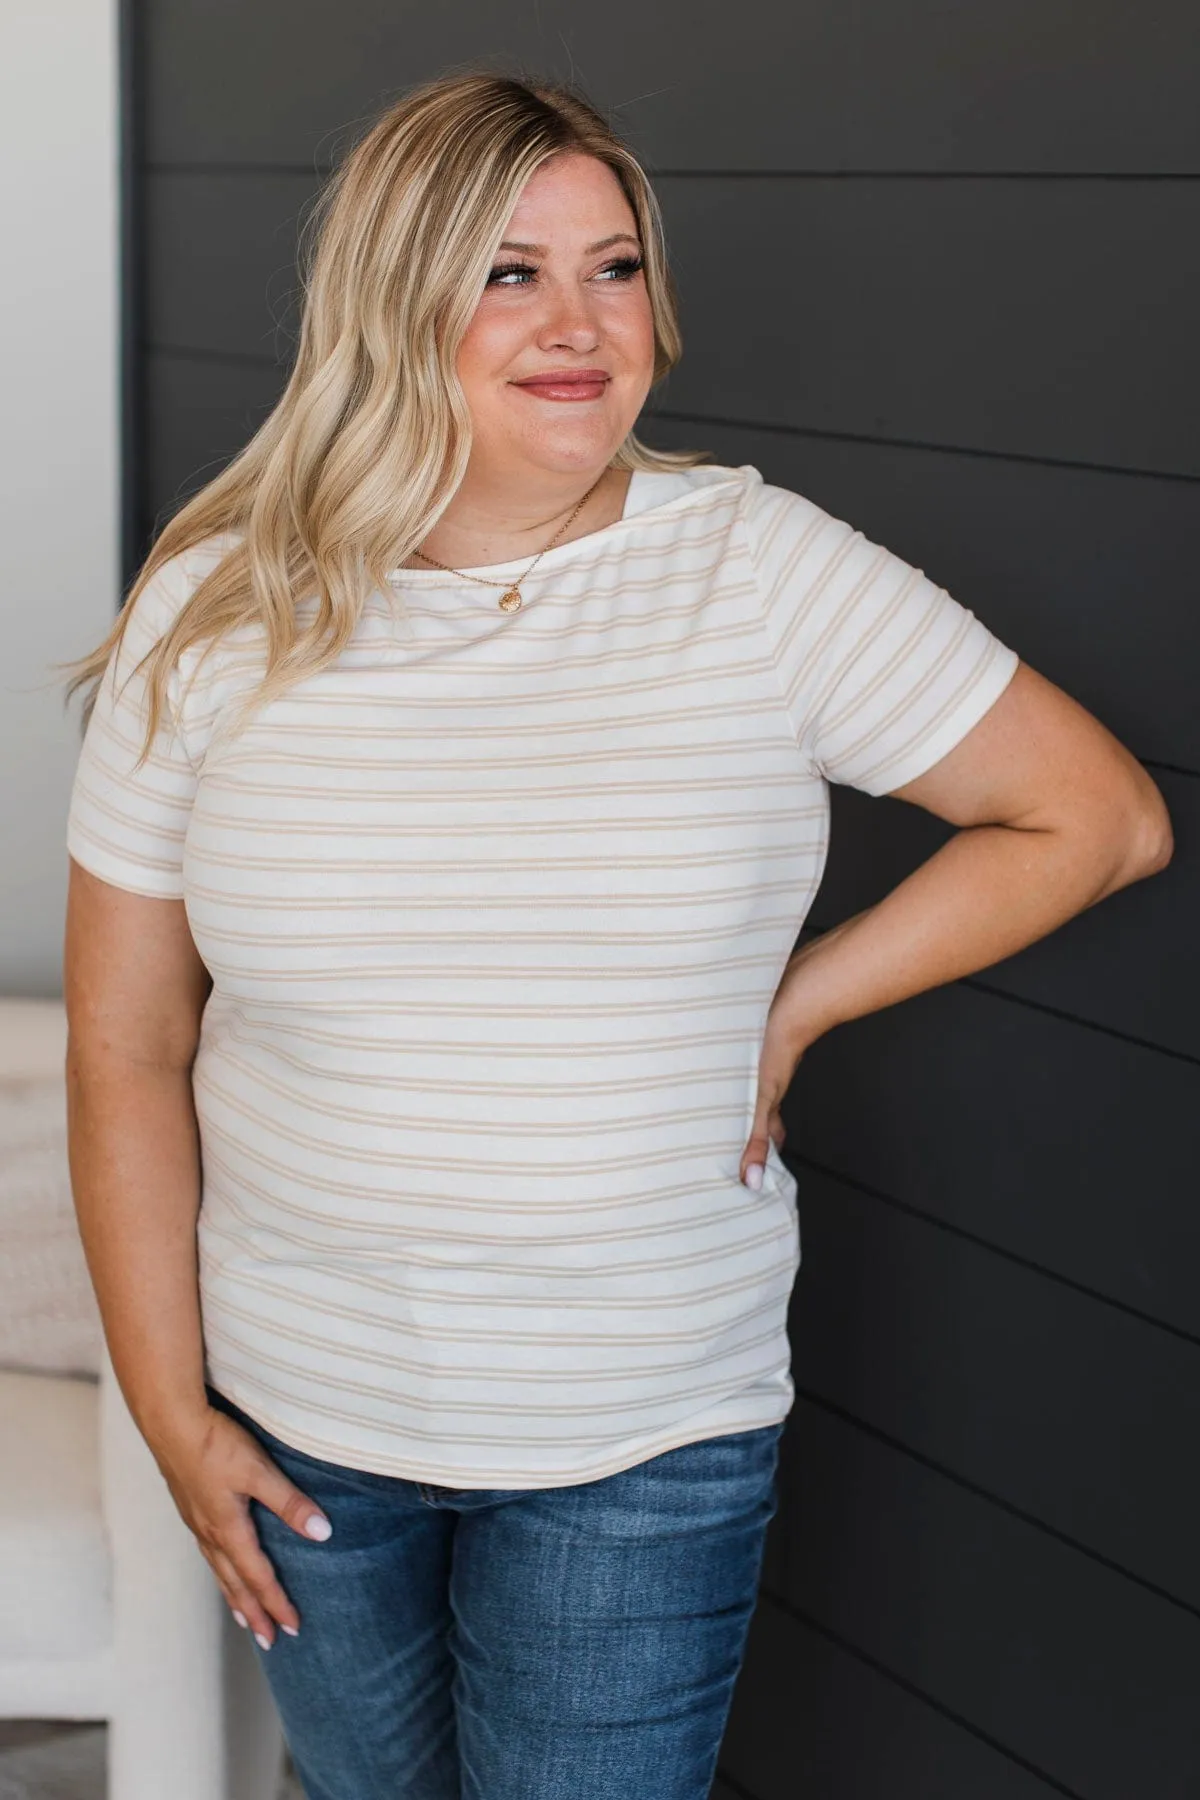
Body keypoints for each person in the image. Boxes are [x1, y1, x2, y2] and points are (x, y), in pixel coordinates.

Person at [62, 68, 1172, 1800]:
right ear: (392, 297)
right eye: (509, 272)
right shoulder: (217, 614)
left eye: (617, 266)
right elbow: (126, 1042)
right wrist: (166, 1405)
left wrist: (795, 1006)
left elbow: (1098, 818)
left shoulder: (756, 569)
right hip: (298, 1422)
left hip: (643, 1431)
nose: (582, 324)